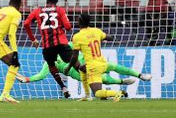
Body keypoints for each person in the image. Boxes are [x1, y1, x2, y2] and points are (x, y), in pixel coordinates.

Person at [17, 42, 152, 101]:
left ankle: (140, 75)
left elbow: (78, 47)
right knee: (103, 79)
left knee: (113, 66)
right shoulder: (49, 62)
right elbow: (41, 75)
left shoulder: (65, 46)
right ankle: (122, 82)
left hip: (89, 62)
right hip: (81, 73)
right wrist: (27, 79)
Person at [65, 14, 152, 102]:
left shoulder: (77, 37)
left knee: (97, 93)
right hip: (102, 63)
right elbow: (108, 37)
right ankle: (140, 75)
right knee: (86, 68)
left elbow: (74, 57)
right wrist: (111, 39)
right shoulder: (96, 31)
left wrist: (68, 68)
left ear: (79, 22)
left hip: (93, 67)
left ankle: (117, 93)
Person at [24, 0, 72, 98]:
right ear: (57, 1)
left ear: (46, 1)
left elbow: (26, 24)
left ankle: (63, 87)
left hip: (47, 46)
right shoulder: (60, 10)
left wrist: (33, 39)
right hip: (61, 43)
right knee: (75, 62)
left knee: (51, 66)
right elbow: (68, 27)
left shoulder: (37, 11)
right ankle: (89, 77)